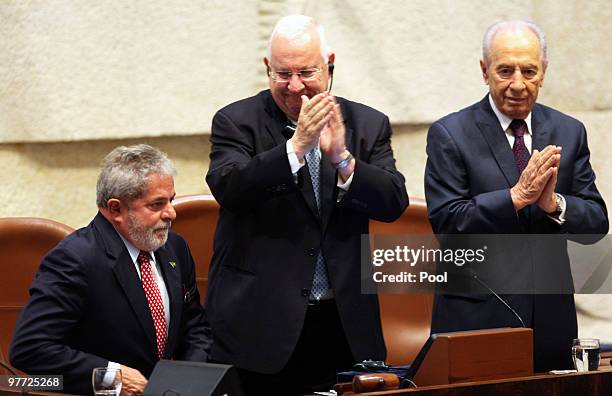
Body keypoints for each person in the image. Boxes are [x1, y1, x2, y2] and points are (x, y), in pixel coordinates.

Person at [205, 14, 408, 394]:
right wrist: (295, 148)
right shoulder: (235, 122)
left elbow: (393, 202)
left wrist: (343, 158)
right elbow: (230, 188)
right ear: (267, 68)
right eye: (282, 74)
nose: (295, 86)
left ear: (329, 65)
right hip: (261, 325)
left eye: (306, 72)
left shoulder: (367, 123)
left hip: (343, 325)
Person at [424, 20, 608, 371]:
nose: (518, 84)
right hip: (477, 317)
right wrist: (516, 197)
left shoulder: (569, 131)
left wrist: (554, 205)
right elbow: (447, 223)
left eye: (529, 70)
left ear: (543, 73)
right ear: (484, 71)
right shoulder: (450, 133)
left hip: (551, 321)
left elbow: (597, 222)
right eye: (505, 71)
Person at [10, 144, 210, 395]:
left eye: (170, 200)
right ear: (116, 209)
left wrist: (188, 381)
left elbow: (194, 325)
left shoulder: (175, 247)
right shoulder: (74, 259)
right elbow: (31, 349)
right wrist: (111, 378)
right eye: (156, 205)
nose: (171, 213)